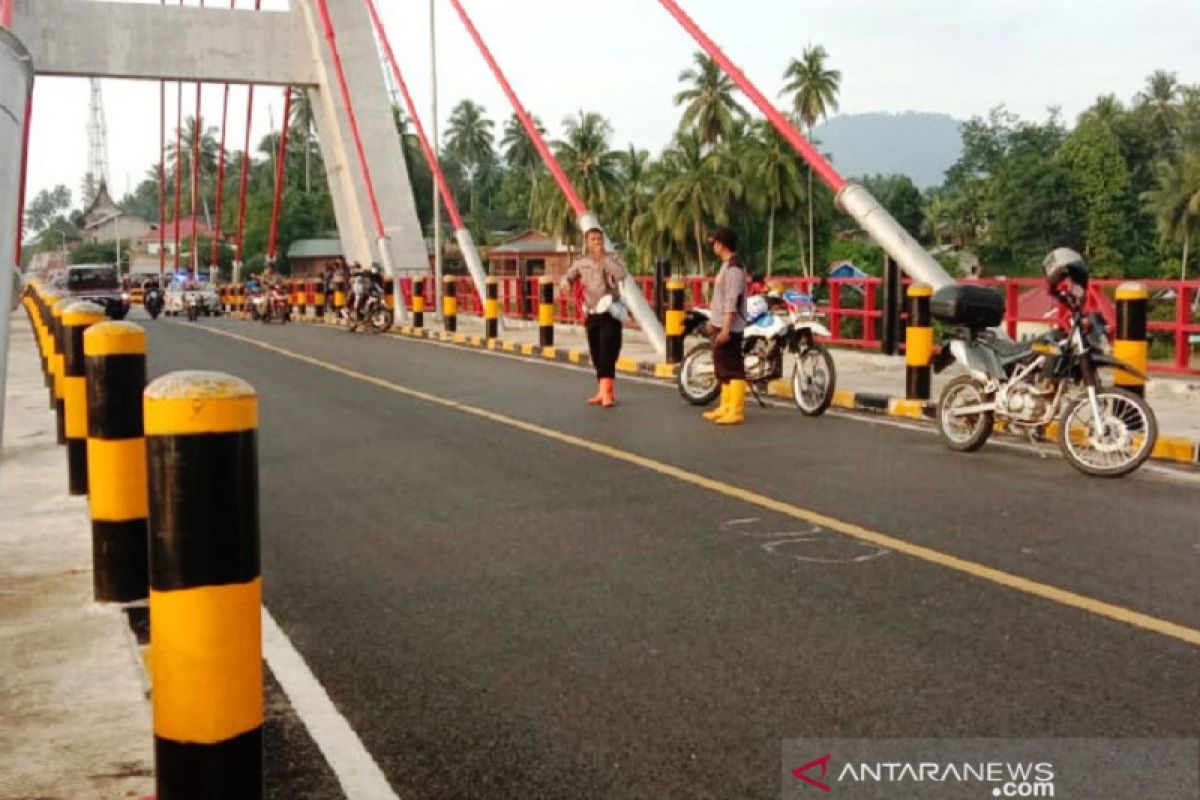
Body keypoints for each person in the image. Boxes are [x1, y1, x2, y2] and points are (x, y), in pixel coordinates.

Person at [560, 223, 628, 407]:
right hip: (591, 311)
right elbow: (569, 275)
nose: (597, 242)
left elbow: (621, 274)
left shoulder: (613, 258)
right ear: (587, 242)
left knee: (608, 351)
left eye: (599, 239)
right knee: (596, 353)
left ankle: (606, 393)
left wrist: (604, 258)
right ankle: (603, 390)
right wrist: (565, 282)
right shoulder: (582, 262)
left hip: (610, 311)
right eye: (593, 240)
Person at [703, 227, 749, 425]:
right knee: (723, 367)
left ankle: (736, 410)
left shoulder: (734, 268)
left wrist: (725, 329)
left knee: (733, 368)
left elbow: (732, 301)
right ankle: (726, 405)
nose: (713, 246)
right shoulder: (726, 265)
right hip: (721, 323)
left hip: (730, 327)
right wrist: (714, 322)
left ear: (722, 244)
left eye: (715, 242)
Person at [1043, 247, 1089, 333]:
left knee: (1077, 299)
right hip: (1074, 282)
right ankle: (1078, 316)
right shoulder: (1068, 266)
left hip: (1077, 283)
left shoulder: (1067, 268)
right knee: (1073, 300)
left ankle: (1079, 316)